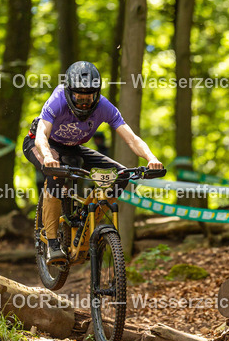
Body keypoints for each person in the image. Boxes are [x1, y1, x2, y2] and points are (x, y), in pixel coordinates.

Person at [23, 61, 162, 264]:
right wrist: (49, 157)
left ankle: (88, 223)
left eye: (89, 96)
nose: (84, 102)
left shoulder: (104, 107)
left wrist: (152, 159)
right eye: (79, 96)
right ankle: (52, 243)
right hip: (40, 144)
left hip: (73, 147)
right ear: (70, 93)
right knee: (55, 174)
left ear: (96, 93)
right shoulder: (58, 99)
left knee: (121, 175)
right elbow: (42, 134)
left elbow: (131, 138)